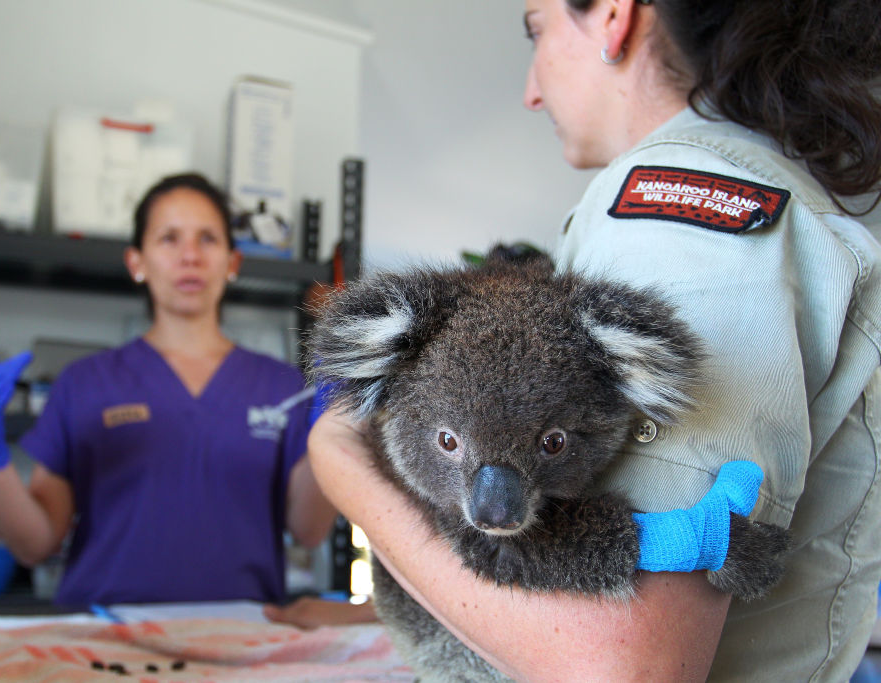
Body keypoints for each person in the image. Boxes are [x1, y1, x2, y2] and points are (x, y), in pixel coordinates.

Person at [308, 0, 881, 680]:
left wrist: (343, 467)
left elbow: (620, 664)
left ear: (614, 15)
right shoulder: (689, 199)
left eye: (536, 29)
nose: (529, 89)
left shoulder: (681, 208)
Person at [0, 172, 337, 607]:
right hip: (105, 638)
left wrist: (330, 433)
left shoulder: (283, 386)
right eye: (169, 238)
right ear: (136, 262)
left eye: (208, 239)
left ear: (232, 263)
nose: (190, 256)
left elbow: (309, 532)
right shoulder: (85, 382)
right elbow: (35, 545)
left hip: (240, 641)